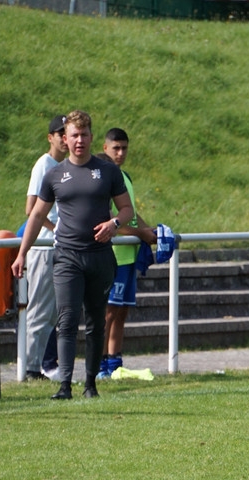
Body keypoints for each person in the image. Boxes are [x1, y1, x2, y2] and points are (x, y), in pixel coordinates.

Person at [11, 110, 134, 400]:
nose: (79, 140)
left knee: (95, 321)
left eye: (84, 135)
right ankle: (64, 385)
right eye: (74, 135)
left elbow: (127, 209)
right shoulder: (54, 174)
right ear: (65, 139)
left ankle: (90, 384)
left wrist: (114, 224)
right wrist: (21, 254)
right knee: (66, 319)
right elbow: (36, 215)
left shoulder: (108, 172)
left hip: (99, 256)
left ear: (91, 137)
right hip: (67, 256)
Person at [98, 128, 157, 379]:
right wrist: (140, 233)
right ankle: (100, 366)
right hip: (114, 256)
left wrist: (148, 230)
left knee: (122, 311)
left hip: (130, 255)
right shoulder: (102, 178)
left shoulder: (125, 177)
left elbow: (129, 213)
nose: (120, 153)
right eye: (116, 148)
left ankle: (115, 363)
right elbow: (110, 220)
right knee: (108, 313)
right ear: (105, 148)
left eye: (124, 148)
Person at [21, 115, 68, 381]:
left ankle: (36, 366)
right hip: (42, 246)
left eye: (67, 133)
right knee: (39, 309)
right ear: (50, 137)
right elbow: (31, 209)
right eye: (60, 134)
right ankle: (28, 366)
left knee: (51, 313)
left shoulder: (63, 166)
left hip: (56, 246)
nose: (65, 139)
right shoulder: (44, 165)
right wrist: (56, 228)